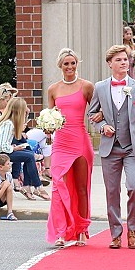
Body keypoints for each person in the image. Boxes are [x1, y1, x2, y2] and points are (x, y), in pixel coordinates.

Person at [88, 45, 135, 249]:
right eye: (119, 60)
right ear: (110, 64)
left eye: (126, 59)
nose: (124, 63)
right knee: (112, 192)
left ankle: (133, 229)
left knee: (134, 187)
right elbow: (91, 114)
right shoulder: (100, 88)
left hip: (133, 147)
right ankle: (116, 233)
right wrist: (102, 126)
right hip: (110, 149)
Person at [46, 48, 95, 247]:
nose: (70, 67)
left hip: (81, 141)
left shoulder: (86, 87)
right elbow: (49, 116)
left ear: (77, 64)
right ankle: (60, 232)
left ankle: (82, 230)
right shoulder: (53, 89)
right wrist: (47, 128)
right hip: (60, 142)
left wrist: (101, 120)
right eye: (66, 63)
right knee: (58, 187)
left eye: (73, 63)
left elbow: (96, 110)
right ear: (60, 66)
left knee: (82, 188)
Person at [0, 97, 48, 200]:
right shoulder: (8, 124)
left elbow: (3, 144)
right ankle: (37, 187)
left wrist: (14, 147)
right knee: (29, 156)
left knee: (28, 154)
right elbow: (3, 146)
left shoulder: (5, 121)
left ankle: (28, 187)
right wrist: (14, 149)